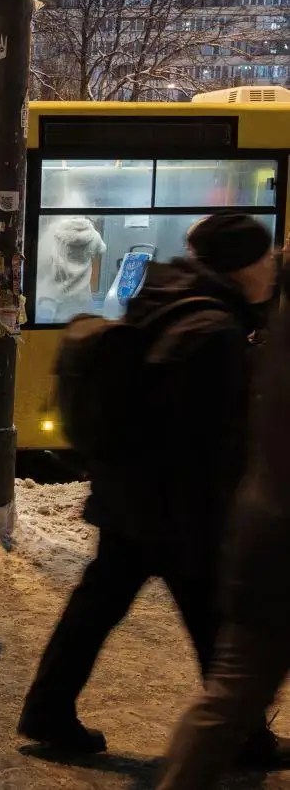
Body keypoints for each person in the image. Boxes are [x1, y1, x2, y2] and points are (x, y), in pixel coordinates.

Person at [19, 212, 279, 756]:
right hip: (174, 507)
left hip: (132, 496)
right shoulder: (214, 327)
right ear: (243, 264)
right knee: (211, 621)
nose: (271, 267)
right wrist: (213, 520)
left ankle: (48, 712)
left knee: (95, 611)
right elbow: (207, 441)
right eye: (265, 256)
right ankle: (243, 734)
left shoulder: (166, 295)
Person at [156, 261, 290, 789]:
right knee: (231, 693)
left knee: (230, 692)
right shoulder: (226, 329)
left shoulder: (266, 337)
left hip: (261, 533)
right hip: (273, 543)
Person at [35, 216, 107, 323]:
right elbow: (102, 249)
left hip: (57, 294)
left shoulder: (55, 234)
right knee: (81, 325)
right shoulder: (94, 236)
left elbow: (42, 257)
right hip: (82, 295)